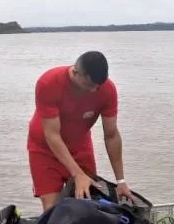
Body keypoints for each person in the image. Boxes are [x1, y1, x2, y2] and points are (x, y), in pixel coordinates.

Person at [26, 51, 132, 211]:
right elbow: (52, 135)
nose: (94, 90)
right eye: (89, 85)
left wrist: (121, 181)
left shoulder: (107, 89)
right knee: (52, 209)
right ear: (75, 72)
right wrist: (78, 174)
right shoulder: (49, 83)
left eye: (98, 86)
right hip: (45, 148)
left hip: (80, 146)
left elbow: (111, 135)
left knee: (88, 203)